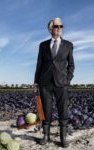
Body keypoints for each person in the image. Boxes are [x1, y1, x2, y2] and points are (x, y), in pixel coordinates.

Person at [34, 17, 75, 148]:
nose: (59, 29)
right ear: (50, 29)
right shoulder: (43, 45)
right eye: (57, 26)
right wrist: (36, 82)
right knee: (46, 109)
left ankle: (63, 137)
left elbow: (71, 65)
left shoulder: (68, 45)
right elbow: (39, 64)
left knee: (63, 109)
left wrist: (67, 79)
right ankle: (46, 136)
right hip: (45, 82)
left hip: (61, 83)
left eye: (61, 26)